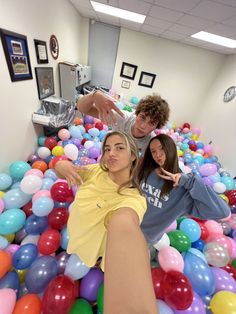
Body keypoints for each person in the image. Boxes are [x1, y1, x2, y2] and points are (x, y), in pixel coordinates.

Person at [55, 131, 158, 314]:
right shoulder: (96, 171)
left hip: (95, 249)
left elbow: (125, 222)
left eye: (119, 148)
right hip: (77, 236)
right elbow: (63, 166)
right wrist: (62, 166)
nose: (111, 153)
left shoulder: (134, 199)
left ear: (133, 155)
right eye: (108, 149)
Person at [137, 133, 231, 246]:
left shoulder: (184, 190)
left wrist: (189, 182)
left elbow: (223, 212)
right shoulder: (146, 171)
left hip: (143, 240)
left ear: (170, 148)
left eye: (162, 148)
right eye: (153, 151)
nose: (157, 154)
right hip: (125, 225)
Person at [76, 90, 170, 156]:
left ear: (156, 127)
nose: (143, 126)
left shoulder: (151, 143)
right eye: (142, 117)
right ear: (137, 113)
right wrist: (94, 95)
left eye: (151, 123)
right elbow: (82, 108)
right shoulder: (122, 118)